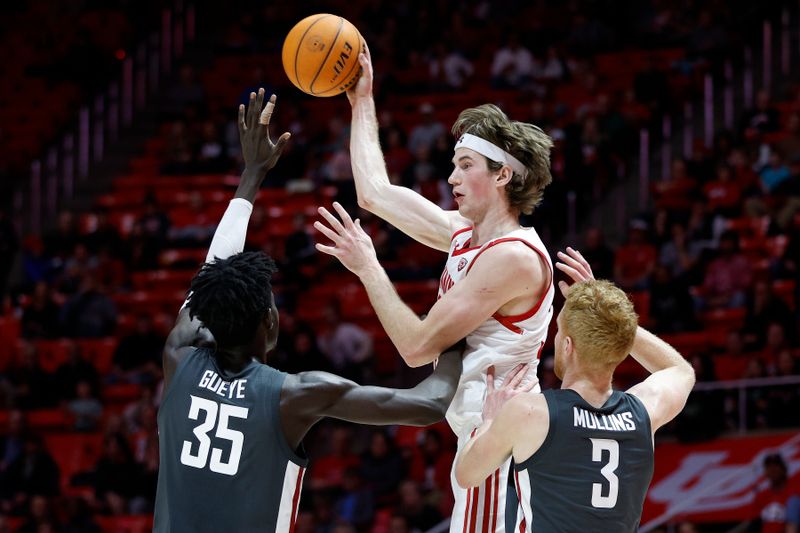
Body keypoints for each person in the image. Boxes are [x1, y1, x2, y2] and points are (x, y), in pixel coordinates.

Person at [153, 89, 464, 533]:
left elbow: (211, 273)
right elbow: (430, 404)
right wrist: (458, 321)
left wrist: (252, 174)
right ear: (269, 323)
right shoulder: (294, 394)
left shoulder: (178, 358)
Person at [315, 43, 554, 532]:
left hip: (499, 439)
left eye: (466, 165)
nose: (452, 177)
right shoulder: (465, 233)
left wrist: (368, 266)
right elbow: (374, 194)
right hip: (479, 435)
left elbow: (417, 347)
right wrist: (362, 101)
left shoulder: (511, 257)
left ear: (503, 174)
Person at [454, 247, 696, 532]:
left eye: (559, 332)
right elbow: (682, 370)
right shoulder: (644, 411)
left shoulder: (530, 412)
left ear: (568, 347)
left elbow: (467, 475)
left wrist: (490, 421)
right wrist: (612, 323)